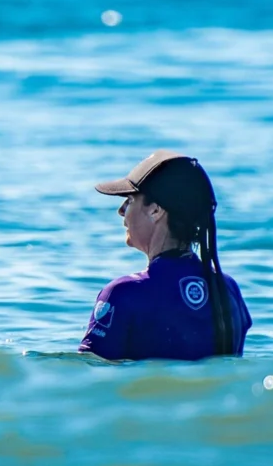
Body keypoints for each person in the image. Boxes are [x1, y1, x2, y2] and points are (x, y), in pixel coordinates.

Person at [80, 149, 252, 361]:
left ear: (155, 211)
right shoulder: (227, 292)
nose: (121, 210)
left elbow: (85, 380)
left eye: (130, 200)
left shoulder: (124, 294)